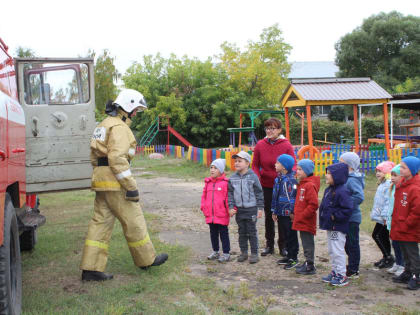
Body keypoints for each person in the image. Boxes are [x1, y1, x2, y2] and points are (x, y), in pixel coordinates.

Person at [80, 89, 168, 281]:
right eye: (135, 109)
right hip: (115, 182)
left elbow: (94, 157)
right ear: (126, 107)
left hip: (101, 180)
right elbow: (118, 158)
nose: (136, 114)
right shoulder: (119, 128)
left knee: (100, 223)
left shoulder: (102, 125)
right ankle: (147, 260)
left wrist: (99, 175)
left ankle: (91, 268)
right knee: (133, 219)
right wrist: (130, 185)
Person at [252, 118, 296, 257]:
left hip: (283, 187)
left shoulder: (286, 145)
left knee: (282, 216)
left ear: (279, 130)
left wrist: (289, 180)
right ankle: (269, 245)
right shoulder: (260, 144)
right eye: (267, 128)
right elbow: (255, 165)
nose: (269, 131)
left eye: (272, 128)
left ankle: (283, 246)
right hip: (266, 185)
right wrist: (257, 178)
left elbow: (293, 164)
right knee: (269, 216)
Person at [319, 163, 353, 287]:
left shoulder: (342, 191)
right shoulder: (329, 189)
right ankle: (335, 272)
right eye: (327, 172)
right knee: (332, 250)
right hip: (330, 225)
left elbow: (348, 209)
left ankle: (341, 275)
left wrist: (334, 216)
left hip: (337, 227)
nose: (326, 176)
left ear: (337, 176)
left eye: (329, 173)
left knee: (337, 250)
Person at [228, 151, 264, 264]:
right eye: (236, 161)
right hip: (239, 210)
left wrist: (260, 208)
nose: (237, 163)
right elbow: (230, 194)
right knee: (242, 231)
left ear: (247, 163)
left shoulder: (253, 177)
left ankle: (254, 253)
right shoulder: (232, 178)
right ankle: (243, 252)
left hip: (251, 209)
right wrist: (231, 207)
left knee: (251, 231)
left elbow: (259, 193)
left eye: (240, 161)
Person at [390, 156, 420, 290]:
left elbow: (417, 210)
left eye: (403, 167)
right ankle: (407, 272)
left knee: (411, 252)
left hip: (409, 227)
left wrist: (407, 223)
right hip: (400, 224)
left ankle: (416, 276)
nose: (400, 169)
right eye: (400, 166)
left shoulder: (415, 188)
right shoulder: (402, 184)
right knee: (404, 250)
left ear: (412, 170)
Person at [292, 159, 320, 275]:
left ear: (307, 171)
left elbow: (313, 204)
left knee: (308, 242)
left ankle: (310, 265)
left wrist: (303, 215)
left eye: (300, 169)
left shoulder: (309, 185)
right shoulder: (303, 184)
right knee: (304, 241)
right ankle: (307, 262)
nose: (297, 171)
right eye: (297, 169)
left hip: (306, 220)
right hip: (301, 219)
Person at [339, 152, 365, 279]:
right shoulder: (345, 178)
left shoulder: (353, 180)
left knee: (352, 243)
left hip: (352, 218)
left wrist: (346, 204)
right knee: (346, 243)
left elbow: (359, 197)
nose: (338, 165)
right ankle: (351, 265)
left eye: (341, 163)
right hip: (345, 217)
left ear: (349, 167)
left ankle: (354, 269)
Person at [271, 154, 299, 270]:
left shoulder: (291, 180)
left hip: (288, 213)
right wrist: (274, 211)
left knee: (291, 235)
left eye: (277, 163)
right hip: (280, 212)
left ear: (284, 167)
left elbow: (293, 197)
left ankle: (294, 258)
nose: (275, 164)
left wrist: (292, 211)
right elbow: (274, 197)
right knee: (284, 234)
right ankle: (288, 255)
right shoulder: (278, 179)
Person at [201, 159, 231, 263]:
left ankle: (226, 253)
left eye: (215, 168)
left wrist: (230, 210)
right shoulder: (208, 183)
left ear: (221, 170)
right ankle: (216, 251)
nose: (212, 170)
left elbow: (228, 199)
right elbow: (204, 196)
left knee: (223, 233)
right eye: (211, 168)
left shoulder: (225, 183)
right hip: (210, 214)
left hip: (222, 214)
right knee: (213, 233)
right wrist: (203, 207)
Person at [371, 161, 395, 269]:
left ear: (387, 172)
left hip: (384, 217)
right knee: (379, 235)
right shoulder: (382, 184)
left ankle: (389, 258)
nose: (377, 173)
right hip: (380, 216)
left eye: (380, 171)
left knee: (378, 235)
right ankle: (386, 256)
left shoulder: (388, 184)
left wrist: (385, 216)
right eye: (377, 171)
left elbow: (388, 202)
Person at [386, 164, 405, 276]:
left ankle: (403, 265)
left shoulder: (403, 188)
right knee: (394, 243)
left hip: (399, 220)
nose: (392, 177)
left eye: (395, 175)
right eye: (391, 175)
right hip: (391, 219)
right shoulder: (392, 187)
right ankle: (398, 263)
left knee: (400, 244)